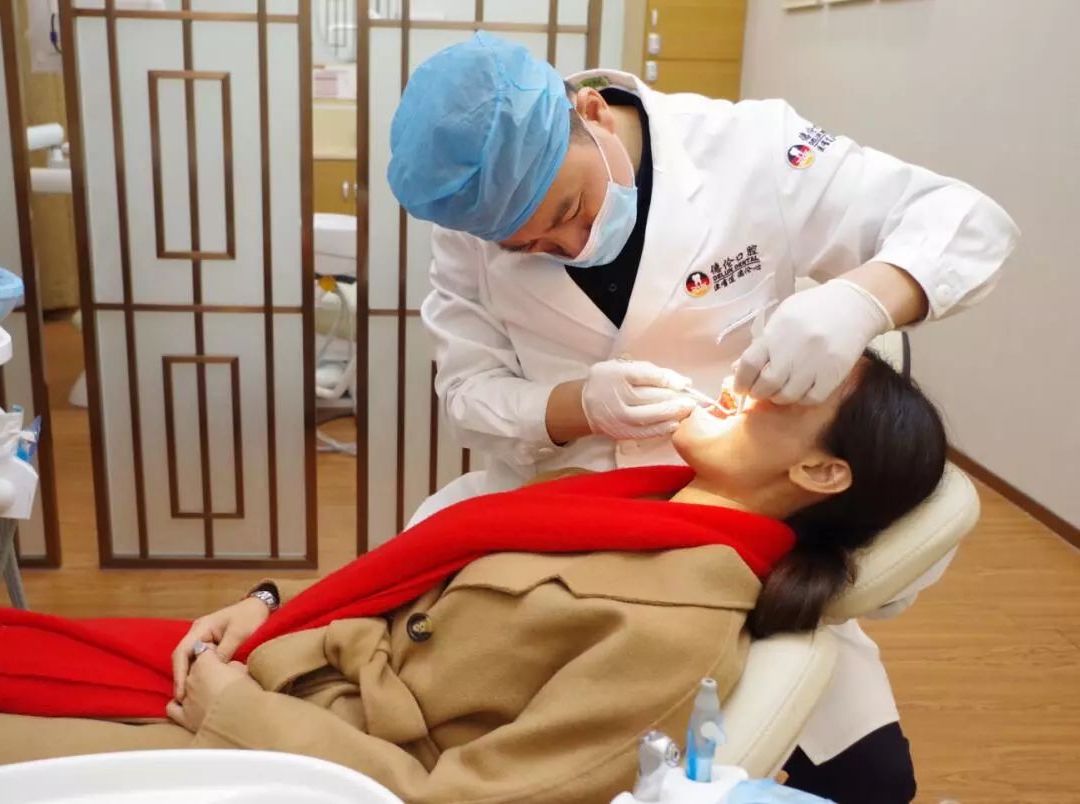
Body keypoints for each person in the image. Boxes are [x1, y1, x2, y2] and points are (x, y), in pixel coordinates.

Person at [0, 354, 944, 803]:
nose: (752, 375)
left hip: (290, 751)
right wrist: (267, 605)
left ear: (821, 472)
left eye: (792, 386)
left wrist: (236, 706)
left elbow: (456, 800)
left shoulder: (680, 629)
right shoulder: (630, 500)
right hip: (272, 669)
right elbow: (412, 571)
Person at [387, 32, 1019, 792]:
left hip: (736, 527)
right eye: (528, 248)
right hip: (561, 518)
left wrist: (866, 298)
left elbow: (968, 221)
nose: (568, 245)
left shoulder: (750, 150)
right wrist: (577, 407)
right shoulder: (468, 225)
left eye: (572, 208)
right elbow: (468, 396)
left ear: (592, 111)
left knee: (871, 779)